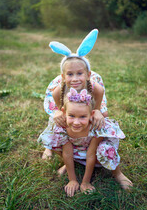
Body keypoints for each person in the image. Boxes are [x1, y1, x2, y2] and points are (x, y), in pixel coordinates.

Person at [38, 88, 133, 197]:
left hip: (94, 151)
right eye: (72, 116)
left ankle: (118, 173)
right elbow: (67, 153)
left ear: (91, 114)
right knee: (54, 140)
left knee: (105, 150)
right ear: (64, 112)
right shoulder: (63, 128)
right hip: (77, 149)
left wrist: (85, 182)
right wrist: (72, 180)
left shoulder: (96, 127)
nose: (76, 122)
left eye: (83, 116)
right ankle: (69, 164)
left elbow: (91, 154)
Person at [41, 29, 108, 160]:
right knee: (58, 121)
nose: (75, 78)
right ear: (63, 76)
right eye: (70, 74)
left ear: (88, 75)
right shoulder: (58, 89)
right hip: (67, 108)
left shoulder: (95, 87)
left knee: (103, 117)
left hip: (88, 106)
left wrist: (98, 111)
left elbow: (98, 102)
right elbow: (62, 109)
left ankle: (90, 142)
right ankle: (51, 146)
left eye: (79, 73)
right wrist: (59, 113)